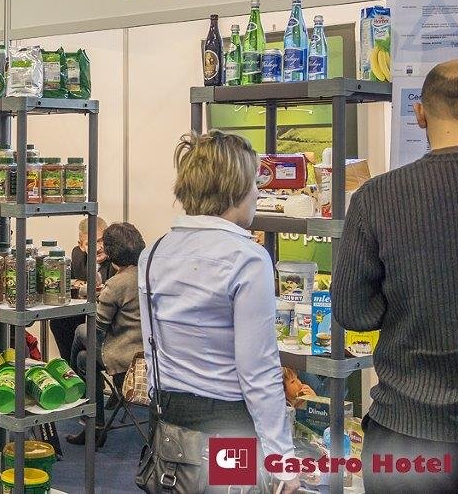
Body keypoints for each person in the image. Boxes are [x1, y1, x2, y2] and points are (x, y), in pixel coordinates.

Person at [139, 131, 298, 493]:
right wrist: (282, 457)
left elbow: (152, 351)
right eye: (254, 183)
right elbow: (258, 370)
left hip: (169, 424)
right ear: (233, 189)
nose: (258, 193)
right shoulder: (247, 258)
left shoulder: (154, 252)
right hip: (229, 426)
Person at [332, 59, 458, 494]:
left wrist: (404, 299)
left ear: (420, 113)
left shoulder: (377, 197)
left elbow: (352, 311)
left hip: (407, 430)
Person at [66, 222, 145, 447]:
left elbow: (97, 328)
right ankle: (94, 424)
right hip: (153, 358)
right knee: (85, 358)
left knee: (81, 334)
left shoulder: (117, 284)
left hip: (128, 361)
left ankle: (75, 391)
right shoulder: (150, 275)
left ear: (111, 252)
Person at [49, 216, 107, 362]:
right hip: (83, 313)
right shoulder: (78, 256)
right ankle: (69, 366)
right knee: (58, 321)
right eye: (90, 243)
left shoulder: (116, 259)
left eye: (101, 241)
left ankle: (74, 368)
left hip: (105, 317)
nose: (97, 247)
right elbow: (74, 283)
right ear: (81, 246)